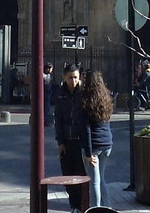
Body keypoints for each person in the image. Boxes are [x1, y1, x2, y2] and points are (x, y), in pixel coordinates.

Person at [54, 63, 87, 213]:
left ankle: (82, 205)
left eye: (76, 78)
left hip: (80, 141)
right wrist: (60, 142)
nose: (73, 81)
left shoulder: (84, 92)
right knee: (68, 175)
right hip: (67, 140)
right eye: (70, 78)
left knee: (81, 174)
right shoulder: (61, 93)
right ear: (64, 77)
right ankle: (73, 205)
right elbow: (58, 118)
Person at [78, 70, 113, 209]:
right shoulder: (105, 97)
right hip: (107, 143)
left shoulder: (85, 100)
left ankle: (95, 208)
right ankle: (108, 207)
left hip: (94, 145)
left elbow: (85, 129)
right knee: (101, 179)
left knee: (94, 181)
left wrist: (88, 153)